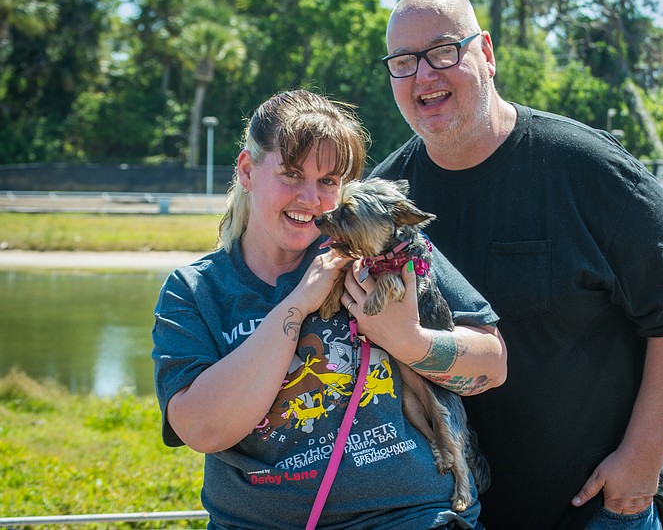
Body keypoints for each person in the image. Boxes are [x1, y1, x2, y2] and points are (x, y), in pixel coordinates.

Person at [370, 0, 663, 530]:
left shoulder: (588, 170)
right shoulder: (385, 200)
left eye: (444, 51)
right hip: (449, 514)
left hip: (598, 509)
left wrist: (642, 460)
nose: (424, 75)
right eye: (403, 62)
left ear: (486, 53)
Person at [151, 89, 507, 530]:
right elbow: (202, 429)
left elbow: (493, 365)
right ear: (246, 170)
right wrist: (298, 303)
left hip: (412, 516)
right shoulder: (196, 291)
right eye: (291, 174)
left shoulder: (382, 250)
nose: (311, 199)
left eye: (328, 181)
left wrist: (409, 340)